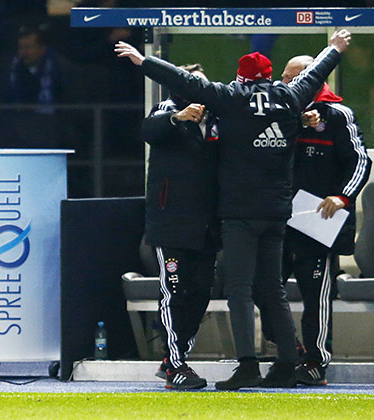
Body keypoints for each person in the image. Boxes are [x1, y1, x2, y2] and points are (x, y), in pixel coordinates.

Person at [115, 29, 352, 390]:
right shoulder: (288, 98)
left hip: (238, 214)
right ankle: (287, 363)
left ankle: (248, 365)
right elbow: (314, 75)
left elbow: (179, 79)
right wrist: (334, 48)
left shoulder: (230, 100)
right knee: (272, 289)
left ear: (240, 79)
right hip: (275, 213)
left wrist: (143, 60)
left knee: (240, 289)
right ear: (271, 76)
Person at [263, 55, 371, 386]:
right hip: (276, 219)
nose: (284, 84)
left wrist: (342, 197)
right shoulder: (277, 114)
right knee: (262, 288)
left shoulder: (338, 116)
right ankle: (288, 349)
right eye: (282, 77)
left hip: (316, 220)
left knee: (316, 295)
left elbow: (360, 161)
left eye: (291, 78)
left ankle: (315, 359)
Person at [142, 63, 221, 390]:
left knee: (201, 292)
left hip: (206, 226)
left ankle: (174, 356)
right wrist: (178, 117)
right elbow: (149, 130)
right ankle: (175, 364)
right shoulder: (167, 110)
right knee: (173, 292)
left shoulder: (218, 119)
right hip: (170, 222)